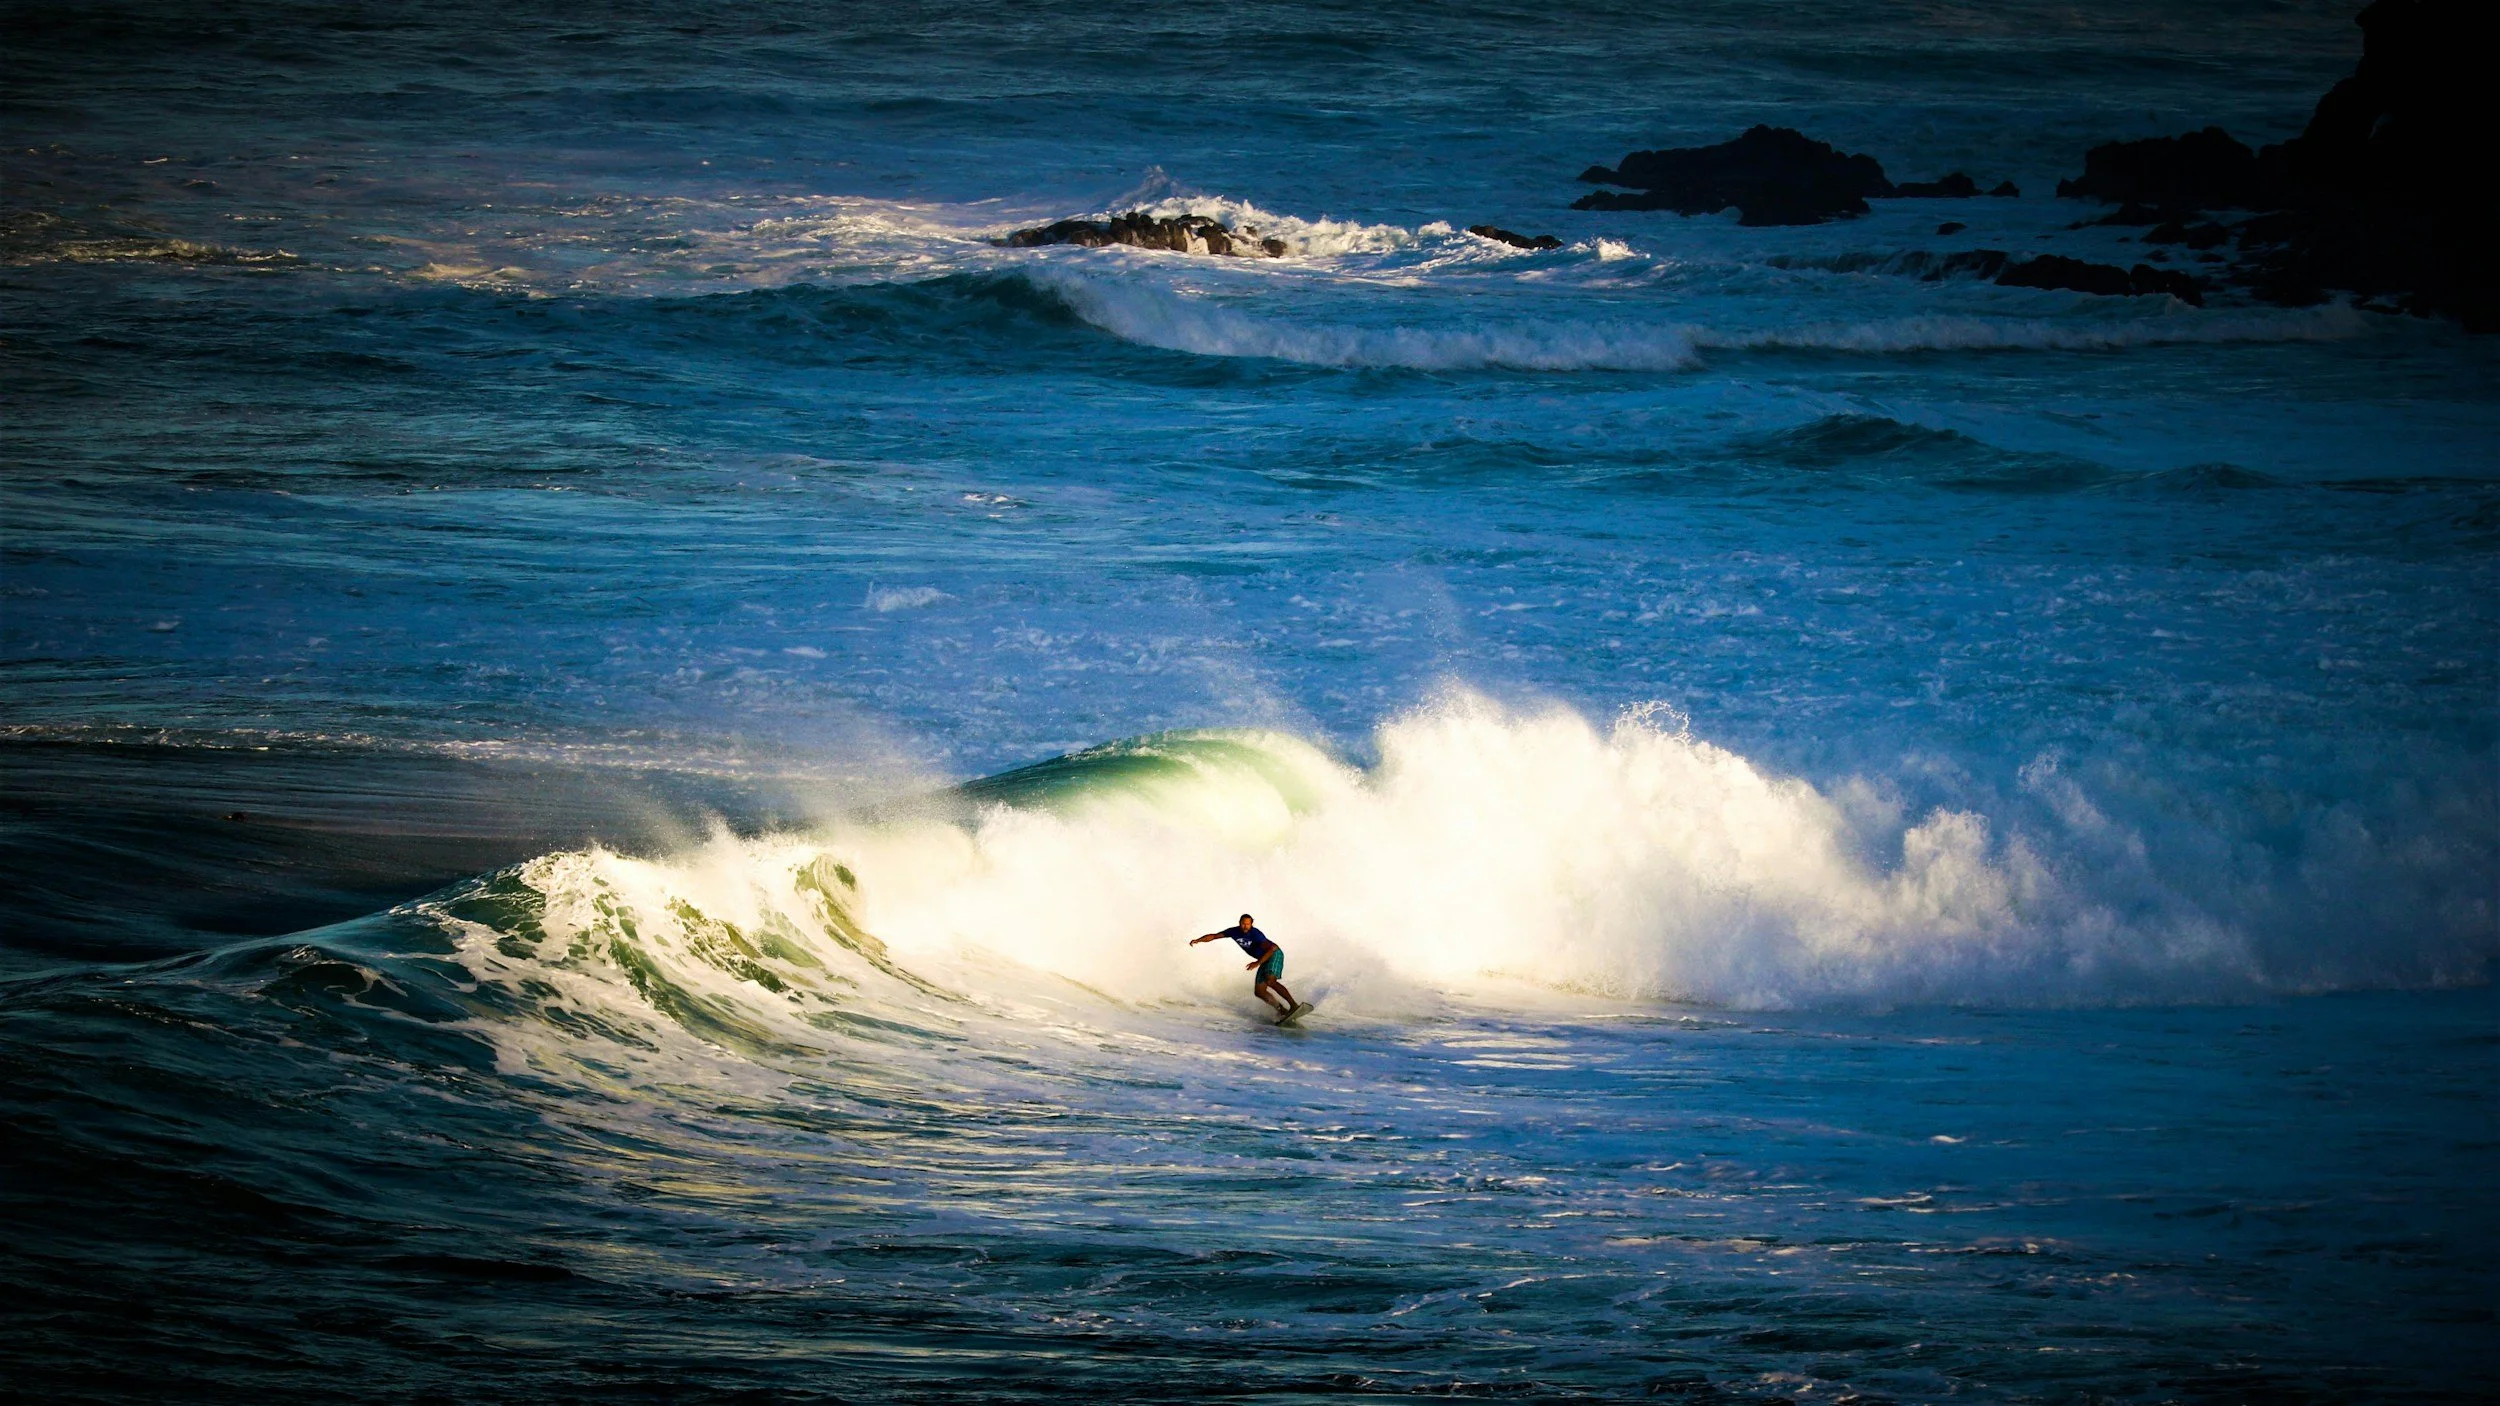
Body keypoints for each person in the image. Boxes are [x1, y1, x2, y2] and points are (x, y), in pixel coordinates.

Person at [1190, 913, 1301, 1022]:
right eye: (1243, 924)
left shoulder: (1255, 934)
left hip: (1273, 954)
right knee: (1259, 992)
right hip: (1262, 959)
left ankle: (1293, 1005)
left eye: (1248, 924)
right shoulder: (1234, 931)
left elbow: (1272, 948)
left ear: (1251, 924)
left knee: (1270, 980)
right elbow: (1214, 936)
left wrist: (1257, 963)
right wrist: (1198, 940)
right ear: (1239, 923)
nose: (1245, 926)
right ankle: (1281, 1010)